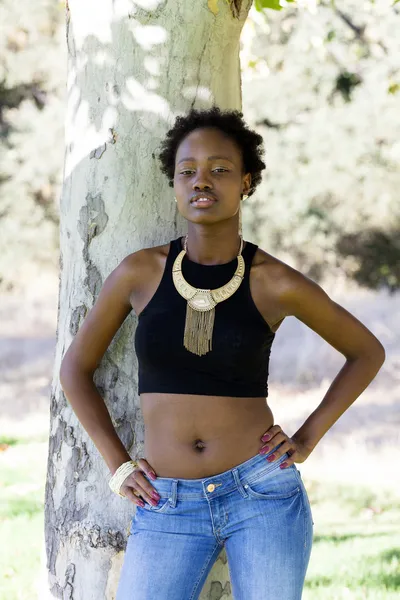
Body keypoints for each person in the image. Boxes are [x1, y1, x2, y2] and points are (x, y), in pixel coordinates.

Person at [59, 106, 385, 600]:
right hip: (166, 500)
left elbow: (366, 352)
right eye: (187, 171)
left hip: (262, 495)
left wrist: (307, 438)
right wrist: (119, 465)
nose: (201, 181)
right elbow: (75, 370)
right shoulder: (139, 273)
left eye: (220, 169)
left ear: (246, 182)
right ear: (174, 184)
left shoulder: (274, 281)